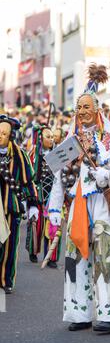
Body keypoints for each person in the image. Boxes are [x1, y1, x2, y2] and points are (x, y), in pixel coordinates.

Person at [48, 64, 110, 334]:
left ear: (98, 111)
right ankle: (79, 313)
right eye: (79, 108)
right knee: (75, 258)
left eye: (87, 107)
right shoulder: (71, 140)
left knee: (106, 257)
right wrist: (54, 207)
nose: (82, 112)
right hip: (78, 205)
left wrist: (109, 175)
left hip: (105, 206)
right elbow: (58, 174)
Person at [0, 115, 38, 293]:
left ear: (10, 136)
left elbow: (28, 181)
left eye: (4, 133)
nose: (1, 135)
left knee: (9, 246)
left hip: (11, 207)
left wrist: (33, 204)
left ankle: (6, 281)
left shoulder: (19, 155)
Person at [26, 125, 61, 268]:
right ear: (41, 138)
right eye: (48, 137)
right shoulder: (33, 154)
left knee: (53, 226)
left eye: (53, 137)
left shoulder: (58, 153)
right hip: (38, 195)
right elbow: (28, 175)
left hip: (54, 195)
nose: (51, 140)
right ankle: (33, 252)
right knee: (37, 226)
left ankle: (51, 257)